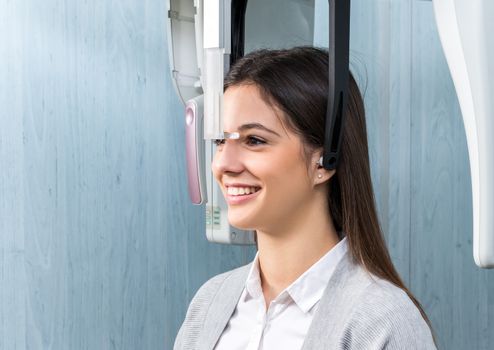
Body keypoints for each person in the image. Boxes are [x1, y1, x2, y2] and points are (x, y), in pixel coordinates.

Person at [174, 47, 436, 350]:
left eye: (255, 140)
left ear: (324, 162)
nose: (223, 164)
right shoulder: (209, 303)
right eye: (221, 140)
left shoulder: (383, 321)